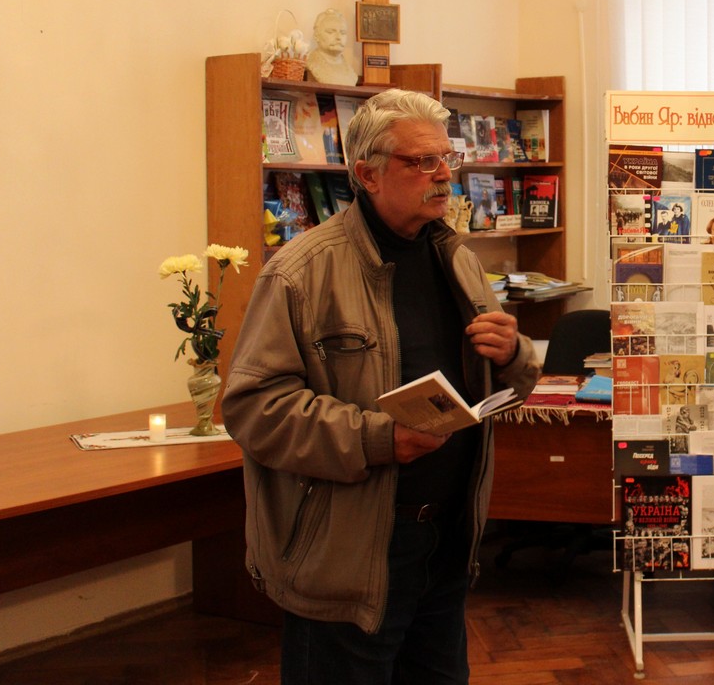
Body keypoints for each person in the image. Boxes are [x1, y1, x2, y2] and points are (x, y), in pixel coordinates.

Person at [222, 88, 540, 685]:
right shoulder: (301, 272)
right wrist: (377, 439)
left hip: (447, 542)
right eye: (422, 161)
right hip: (348, 555)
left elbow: (506, 380)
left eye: (448, 158)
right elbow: (254, 407)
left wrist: (512, 353)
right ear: (367, 174)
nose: (443, 174)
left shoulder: (457, 258)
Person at [305, 8, 360, 86]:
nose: (338, 37)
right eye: (330, 32)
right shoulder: (312, 64)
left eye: (343, 33)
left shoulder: (351, 73)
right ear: (316, 35)